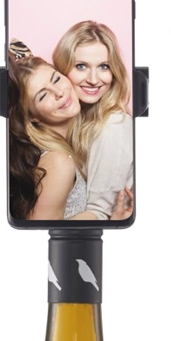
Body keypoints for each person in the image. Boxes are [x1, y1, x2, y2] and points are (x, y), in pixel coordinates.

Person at [8, 40, 132, 222]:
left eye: (56, 79)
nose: (58, 92)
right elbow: (39, 234)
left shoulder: (71, 143)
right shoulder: (58, 162)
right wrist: (112, 223)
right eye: (43, 95)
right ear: (32, 116)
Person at [52, 22, 134, 221]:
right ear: (62, 70)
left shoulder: (113, 126)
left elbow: (99, 213)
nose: (94, 79)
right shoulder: (74, 118)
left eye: (104, 67)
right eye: (81, 66)